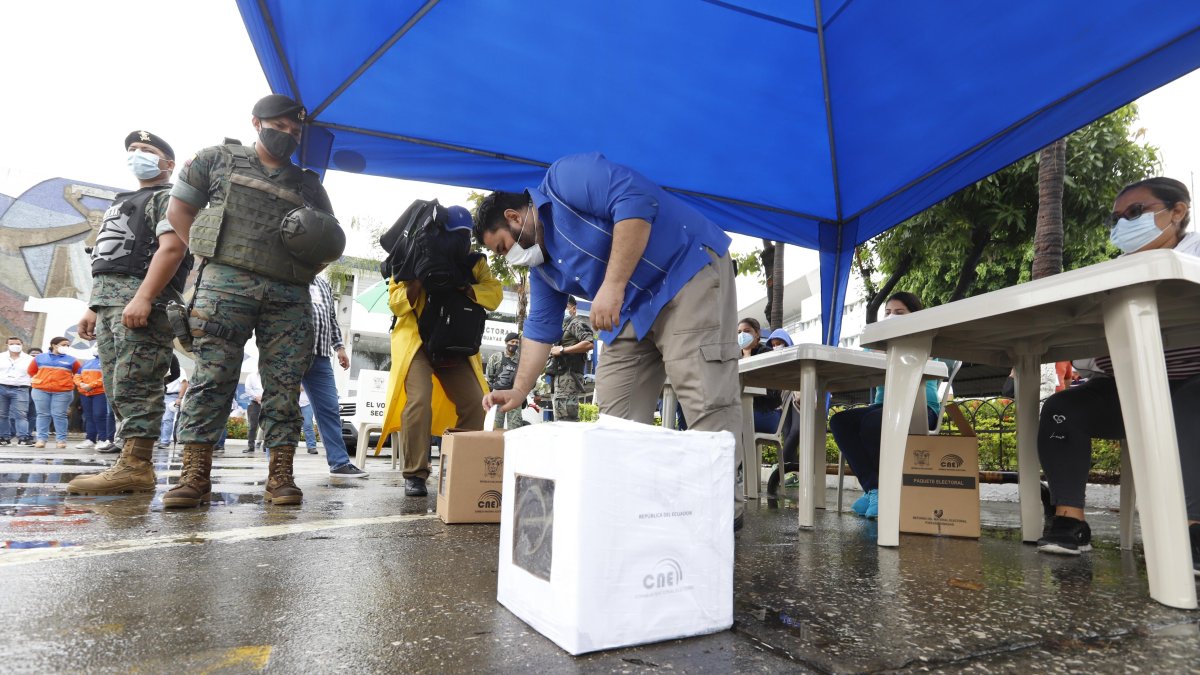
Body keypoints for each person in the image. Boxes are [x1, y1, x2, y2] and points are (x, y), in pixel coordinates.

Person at [474, 152, 744, 527]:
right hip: (631, 307)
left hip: (684, 270)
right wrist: (519, 390)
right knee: (616, 418)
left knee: (703, 392)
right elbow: (540, 328)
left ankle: (721, 513)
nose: (510, 258)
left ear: (514, 218)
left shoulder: (565, 179)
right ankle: (633, 512)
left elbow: (636, 202)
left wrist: (613, 286)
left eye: (504, 247)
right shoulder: (544, 270)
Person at [162, 94, 344, 508]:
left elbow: (328, 241)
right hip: (224, 287)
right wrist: (207, 255)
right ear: (256, 123)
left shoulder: (308, 184)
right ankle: (195, 475)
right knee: (212, 378)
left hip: (287, 295)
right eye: (279, 127)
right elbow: (179, 210)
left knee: (284, 385)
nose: (287, 135)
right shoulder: (215, 159)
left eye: (294, 131)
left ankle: (281, 476)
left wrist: (302, 272)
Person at [1037, 177, 1200, 569]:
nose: (1123, 224)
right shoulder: (1108, 274)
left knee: (1186, 406)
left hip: (1192, 384)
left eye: (1135, 212)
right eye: (1116, 218)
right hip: (1126, 390)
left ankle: (1192, 529)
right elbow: (1084, 351)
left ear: (1177, 211)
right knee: (1061, 409)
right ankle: (1070, 519)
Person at [69, 130, 189, 495]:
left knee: (137, 381)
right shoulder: (123, 202)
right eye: (133, 149)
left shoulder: (170, 197)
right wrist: (93, 306)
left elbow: (172, 249)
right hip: (110, 302)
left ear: (168, 163)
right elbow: (110, 258)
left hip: (141, 300)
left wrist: (145, 296)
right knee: (117, 384)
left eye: (147, 150)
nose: (137, 154)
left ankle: (136, 465)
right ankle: (130, 463)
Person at [380, 205, 502, 497]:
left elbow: (495, 295)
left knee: (475, 403)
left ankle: (458, 468)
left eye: (466, 237)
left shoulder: (474, 263)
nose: (461, 242)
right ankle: (415, 474)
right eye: (455, 235)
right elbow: (395, 303)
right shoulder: (412, 252)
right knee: (419, 399)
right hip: (417, 343)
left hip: (453, 344)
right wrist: (418, 279)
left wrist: (465, 286)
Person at [828, 293, 946, 519]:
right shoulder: (878, 344)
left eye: (899, 313)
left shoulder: (927, 341)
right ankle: (874, 489)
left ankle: (883, 491)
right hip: (884, 406)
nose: (892, 317)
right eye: (888, 313)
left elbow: (929, 368)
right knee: (840, 421)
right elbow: (857, 364)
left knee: (873, 422)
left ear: (915, 316)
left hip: (920, 408)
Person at [300, 274, 367, 477]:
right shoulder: (289, 274)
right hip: (291, 353)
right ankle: (277, 468)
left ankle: (339, 463)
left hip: (321, 356)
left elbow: (330, 318)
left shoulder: (323, 285)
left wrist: (339, 347)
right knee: (282, 408)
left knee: (330, 409)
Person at [28, 337, 81, 449]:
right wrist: (41, 380)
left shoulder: (72, 360)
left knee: (60, 415)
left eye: (67, 345)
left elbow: (79, 373)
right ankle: (41, 439)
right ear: (54, 345)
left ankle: (61, 440)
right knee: (42, 414)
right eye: (63, 344)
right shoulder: (40, 358)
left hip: (63, 391)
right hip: (41, 390)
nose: (66, 347)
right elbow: (31, 371)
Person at [547, 296, 594, 422]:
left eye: (565, 307)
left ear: (573, 309)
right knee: (560, 418)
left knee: (568, 419)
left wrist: (563, 350)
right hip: (561, 376)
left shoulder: (576, 323)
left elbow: (589, 343)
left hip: (569, 376)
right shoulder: (563, 327)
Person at [739, 318, 784, 434]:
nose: (742, 335)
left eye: (747, 331)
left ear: (757, 333)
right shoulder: (736, 357)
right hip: (744, 411)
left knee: (729, 422)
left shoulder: (767, 354)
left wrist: (747, 355)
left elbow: (770, 390)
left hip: (768, 413)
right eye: (739, 332)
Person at [74, 351, 115, 451]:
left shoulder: (109, 362)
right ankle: (90, 439)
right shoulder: (88, 362)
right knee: (89, 416)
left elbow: (107, 377)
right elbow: (77, 375)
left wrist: (91, 385)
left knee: (100, 415)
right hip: (85, 392)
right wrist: (81, 384)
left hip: (101, 392)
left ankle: (103, 439)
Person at [486, 332, 526, 430]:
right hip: (497, 396)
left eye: (516, 342)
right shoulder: (496, 357)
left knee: (515, 427)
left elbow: (524, 377)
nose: (514, 344)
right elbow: (489, 376)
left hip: (514, 396)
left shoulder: (521, 360)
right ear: (506, 342)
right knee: (495, 426)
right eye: (512, 342)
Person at [0, 337, 34, 446]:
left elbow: (34, 373)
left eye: (18, 343)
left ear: (22, 344)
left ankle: (23, 438)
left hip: (21, 388)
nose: (15, 345)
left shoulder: (29, 359)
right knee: (2, 414)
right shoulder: (1, 357)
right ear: (7, 345)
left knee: (21, 414)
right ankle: (3, 437)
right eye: (12, 343)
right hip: (2, 387)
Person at [157, 364, 188, 449]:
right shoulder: (162, 368)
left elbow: (185, 383)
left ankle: (165, 441)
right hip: (161, 395)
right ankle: (160, 439)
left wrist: (180, 398)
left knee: (167, 419)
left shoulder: (179, 369)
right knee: (159, 419)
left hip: (172, 396)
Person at [243, 371, 264, 453]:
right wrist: (256, 397)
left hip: (267, 403)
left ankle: (266, 447)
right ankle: (250, 446)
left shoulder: (270, 375)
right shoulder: (251, 376)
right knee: (252, 426)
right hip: (254, 403)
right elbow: (247, 389)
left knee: (267, 425)